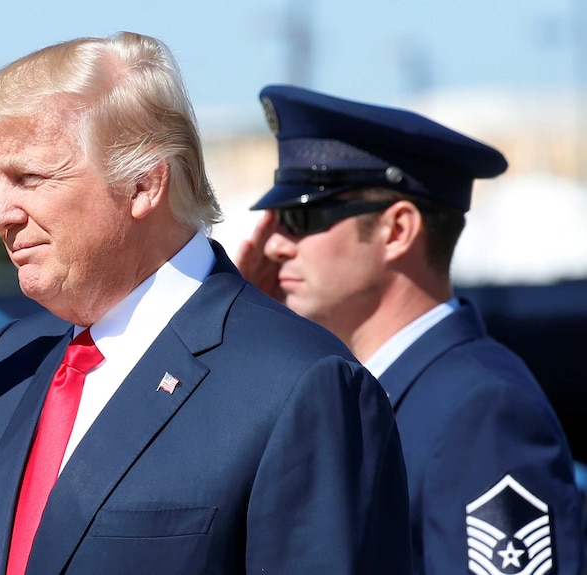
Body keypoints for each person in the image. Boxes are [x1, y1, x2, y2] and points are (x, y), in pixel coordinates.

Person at [0, 34, 412, 574]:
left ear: (144, 183)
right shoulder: (15, 357)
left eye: (31, 179)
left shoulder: (297, 383)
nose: (0, 216)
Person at [237, 84, 586, 575]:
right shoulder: (349, 394)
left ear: (397, 230)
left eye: (300, 216)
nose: (274, 246)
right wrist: (255, 335)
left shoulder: (482, 411)